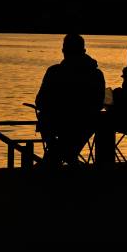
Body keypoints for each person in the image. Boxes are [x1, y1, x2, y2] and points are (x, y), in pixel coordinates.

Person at [35, 33, 106, 167]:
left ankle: (57, 156)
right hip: (85, 125)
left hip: (58, 123)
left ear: (64, 51)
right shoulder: (96, 74)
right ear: (84, 51)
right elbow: (99, 102)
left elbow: (40, 101)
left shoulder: (54, 72)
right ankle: (66, 156)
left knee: (45, 117)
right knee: (96, 120)